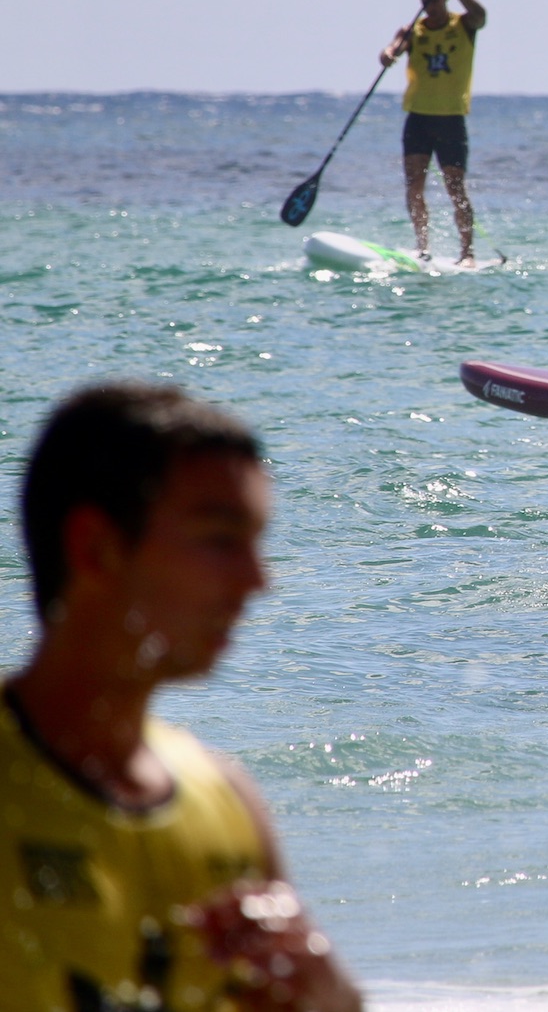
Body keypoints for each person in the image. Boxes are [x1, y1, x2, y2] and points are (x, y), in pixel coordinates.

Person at [2, 384, 364, 1011]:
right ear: (97, 548)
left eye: (257, 541)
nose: (257, 581)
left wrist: (329, 999)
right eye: (220, 539)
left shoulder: (225, 802)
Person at [380, 0, 487, 266]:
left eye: (438, 0)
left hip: (451, 119)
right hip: (418, 118)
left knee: (455, 187)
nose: (432, 7)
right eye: (427, 2)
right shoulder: (413, 30)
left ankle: (467, 253)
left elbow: (481, 14)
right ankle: (422, 247)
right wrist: (389, 54)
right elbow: (393, 48)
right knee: (414, 184)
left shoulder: (463, 24)